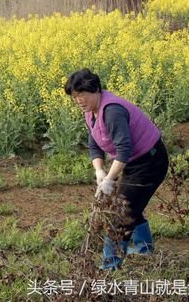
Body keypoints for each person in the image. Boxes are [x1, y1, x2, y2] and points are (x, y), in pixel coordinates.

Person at [64, 68, 169, 270]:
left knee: (120, 213)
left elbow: (124, 149)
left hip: (150, 162)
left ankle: (109, 266)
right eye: (75, 97)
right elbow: (94, 144)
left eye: (82, 95)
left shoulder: (112, 111)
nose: (79, 100)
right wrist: (99, 172)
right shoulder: (91, 112)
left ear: (95, 90)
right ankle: (144, 248)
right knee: (129, 203)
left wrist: (110, 180)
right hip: (134, 161)